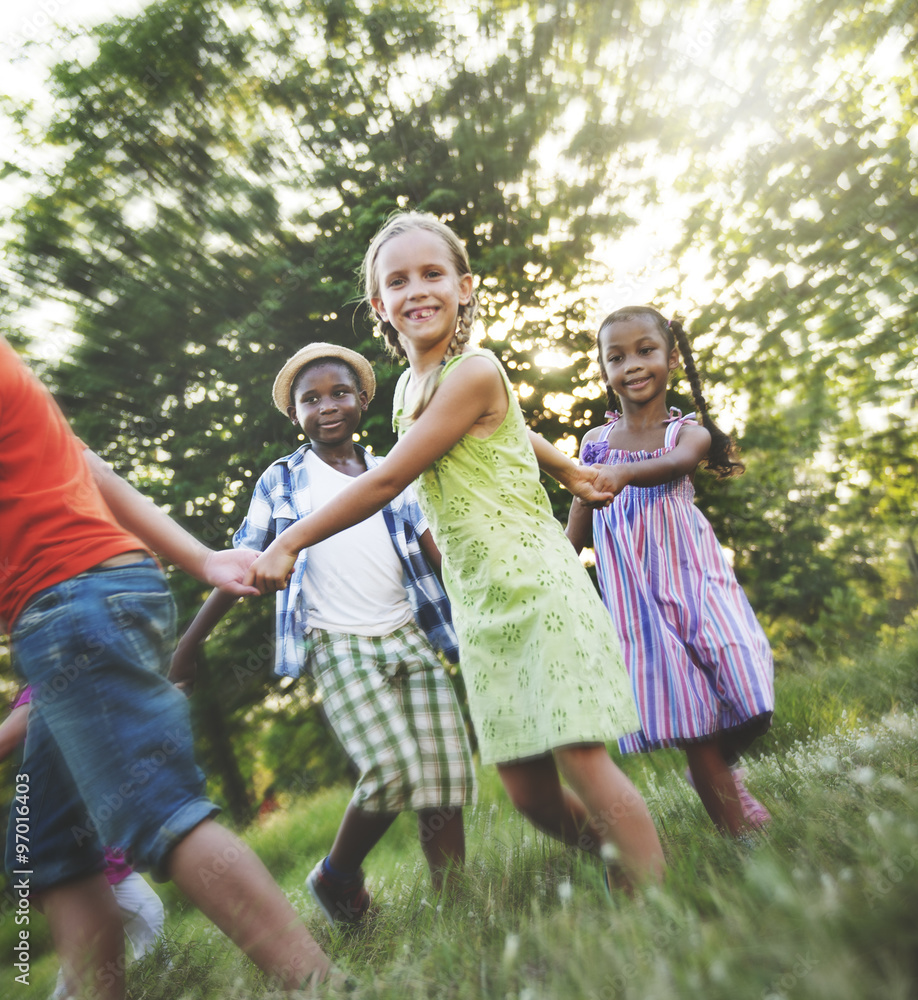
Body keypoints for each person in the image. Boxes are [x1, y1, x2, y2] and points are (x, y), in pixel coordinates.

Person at [246, 212, 666, 891]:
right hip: (477, 603)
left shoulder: (476, 369)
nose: (418, 290)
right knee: (526, 790)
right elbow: (493, 430)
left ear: (464, 287)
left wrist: (291, 540)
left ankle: (656, 901)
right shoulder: (412, 391)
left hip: (535, 583)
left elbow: (388, 478)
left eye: (433, 274)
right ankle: (622, 870)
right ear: (380, 305)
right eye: (399, 280)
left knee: (581, 756)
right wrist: (564, 466)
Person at [0, 337, 340, 999]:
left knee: (156, 812)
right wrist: (203, 559)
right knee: (48, 845)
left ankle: (321, 986)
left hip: (72, 603)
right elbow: (86, 464)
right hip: (90, 600)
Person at [170, 343, 476, 926]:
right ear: (295, 415)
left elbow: (436, 555)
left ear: (363, 399)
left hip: (409, 633)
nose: (327, 406)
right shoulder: (284, 481)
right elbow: (240, 563)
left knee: (444, 777)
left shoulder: (393, 470)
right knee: (389, 771)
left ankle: (457, 908)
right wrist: (187, 649)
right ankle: (335, 877)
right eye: (311, 399)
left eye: (339, 393)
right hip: (338, 643)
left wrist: (479, 611)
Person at [566, 305, 775, 838]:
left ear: (671, 358)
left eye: (645, 351)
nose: (632, 365)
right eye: (617, 357)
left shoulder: (688, 433)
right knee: (693, 725)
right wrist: (561, 571)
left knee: (751, 695)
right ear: (604, 369)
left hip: (697, 583)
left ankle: (719, 762)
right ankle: (740, 834)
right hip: (639, 605)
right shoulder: (593, 445)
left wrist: (620, 473)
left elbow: (676, 465)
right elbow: (580, 525)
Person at [0, 688, 166, 998]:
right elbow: (6, 738)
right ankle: (147, 985)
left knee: (121, 931)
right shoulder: (45, 684)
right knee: (96, 949)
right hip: (60, 847)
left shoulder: (101, 680)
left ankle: (151, 985)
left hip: (97, 848)